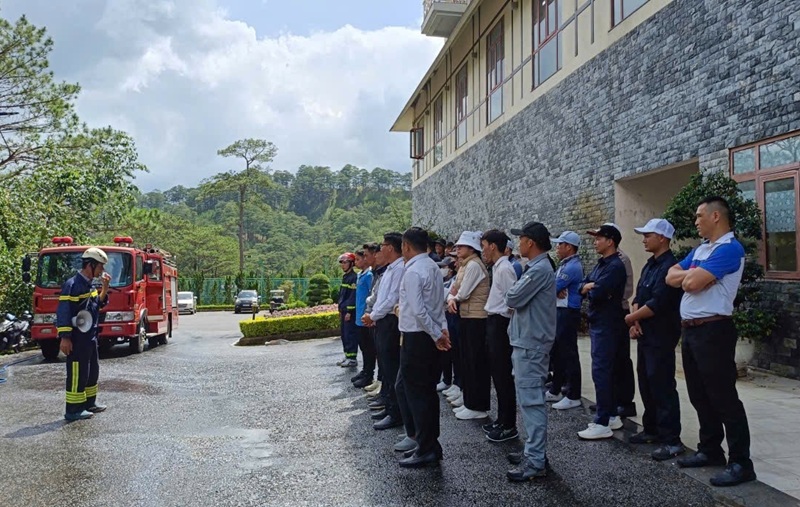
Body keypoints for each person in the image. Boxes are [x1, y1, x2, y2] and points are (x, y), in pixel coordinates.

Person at [666, 197, 756, 487]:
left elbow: (689, 284)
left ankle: (741, 462)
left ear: (716, 216)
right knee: (699, 394)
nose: (695, 221)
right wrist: (695, 275)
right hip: (691, 332)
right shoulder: (701, 249)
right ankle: (710, 449)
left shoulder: (730, 248)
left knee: (723, 397)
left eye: (699, 215)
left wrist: (691, 277)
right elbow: (672, 276)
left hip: (714, 331)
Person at [624, 218, 684, 461]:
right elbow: (640, 296)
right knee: (646, 382)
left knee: (662, 385)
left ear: (662, 238)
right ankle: (651, 429)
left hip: (662, 334)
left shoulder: (671, 267)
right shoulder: (650, 265)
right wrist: (635, 320)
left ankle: (671, 439)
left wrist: (630, 319)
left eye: (648, 235)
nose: (644, 239)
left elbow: (658, 303)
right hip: (645, 333)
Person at [504, 221, 557, 481]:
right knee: (528, 401)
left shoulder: (538, 270)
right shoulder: (536, 268)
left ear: (531, 242)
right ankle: (533, 452)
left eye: (521, 239)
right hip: (528, 341)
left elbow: (512, 298)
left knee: (532, 402)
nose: (518, 244)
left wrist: (512, 294)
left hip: (531, 343)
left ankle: (535, 461)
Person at [395, 227, 451, 468]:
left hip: (417, 337)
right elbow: (437, 305)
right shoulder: (432, 267)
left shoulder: (413, 271)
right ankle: (430, 444)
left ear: (406, 246)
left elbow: (418, 311)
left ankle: (426, 447)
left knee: (417, 394)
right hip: (429, 335)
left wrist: (438, 334)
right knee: (427, 392)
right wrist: (441, 330)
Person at [578, 225, 628, 440]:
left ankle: (602, 421)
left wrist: (590, 287)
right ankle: (612, 414)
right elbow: (583, 285)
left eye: (599, 238)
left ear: (611, 241)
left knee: (603, 370)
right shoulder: (602, 265)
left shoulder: (615, 266)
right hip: (600, 322)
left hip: (608, 323)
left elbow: (598, 292)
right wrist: (587, 286)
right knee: (605, 369)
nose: (595, 241)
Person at [56, 247, 111, 421]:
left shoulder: (90, 285)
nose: (102, 270)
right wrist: (65, 337)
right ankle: (73, 410)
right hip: (77, 338)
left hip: (90, 336)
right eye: (100, 266)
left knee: (92, 370)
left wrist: (105, 287)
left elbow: (97, 304)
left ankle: (89, 403)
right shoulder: (72, 285)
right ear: (91, 265)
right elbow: (64, 311)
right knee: (77, 372)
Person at [363, 232, 405, 430]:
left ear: (391, 248)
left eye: (383, 245)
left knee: (391, 367)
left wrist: (374, 315)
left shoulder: (399, 269)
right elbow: (379, 297)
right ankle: (389, 407)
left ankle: (396, 413)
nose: (381, 249)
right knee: (386, 369)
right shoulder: (389, 270)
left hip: (390, 321)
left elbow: (390, 300)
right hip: (383, 319)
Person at [447, 231, 491, 420]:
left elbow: (462, 293)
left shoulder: (473, 265)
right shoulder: (465, 265)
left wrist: (452, 298)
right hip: (467, 316)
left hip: (476, 318)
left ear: (472, 248)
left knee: (475, 363)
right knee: (467, 361)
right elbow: (453, 289)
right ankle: (470, 402)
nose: (457, 249)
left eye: (461, 246)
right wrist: (451, 297)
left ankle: (477, 405)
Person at [480, 229, 518, 442]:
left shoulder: (505, 269)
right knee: (498, 374)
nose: (483, 250)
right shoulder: (498, 267)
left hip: (500, 322)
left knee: (503, 375)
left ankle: (509, 424)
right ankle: (502, 419)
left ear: (493, 246)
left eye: (484, 245)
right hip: (494, 321)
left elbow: (512, 301)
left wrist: (503, 322)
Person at [603, 222, 637, 418]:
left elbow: (624, 288)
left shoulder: (620, 260)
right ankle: (611, 399)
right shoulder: (607, 260)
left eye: (600, 237)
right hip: (610, 312)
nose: (596, 242)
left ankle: (625, 401)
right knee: (610, 359)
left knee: (621, 359)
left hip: (618, 311)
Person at [547, 231, 584, 410]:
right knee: (559, 351)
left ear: (568, 247)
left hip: (568, 312)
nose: (557, 248)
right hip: (560, 310)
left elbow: (551, 287)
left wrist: (554, 288)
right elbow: (552, 286)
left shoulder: (572, 267)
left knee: (569, 353)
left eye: (559, 245)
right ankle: (557, 388)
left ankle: (573, 394)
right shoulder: (565, 265)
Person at [351, 250, 376, 388]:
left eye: (359, 259)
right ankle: (365, 370)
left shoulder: (369, 275)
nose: (356, 262)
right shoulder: (361, 275)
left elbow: (371, 295)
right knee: (363, 347)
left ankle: (369, 374)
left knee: (369, 348)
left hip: (366, 317)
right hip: (359, 316)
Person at [336, 252, 358, 368]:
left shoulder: (353, 278)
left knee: (350, 334)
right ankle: (347, 355)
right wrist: (340, 308)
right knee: (344, 334)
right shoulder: (346, 277)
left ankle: (352, 358)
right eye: (342, 262)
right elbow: (342, 295)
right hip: (344, 310)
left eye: (345, 262)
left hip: (349, 312)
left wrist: (349, 311)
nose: (343, 265)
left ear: (352, 263)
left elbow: (352, 296)